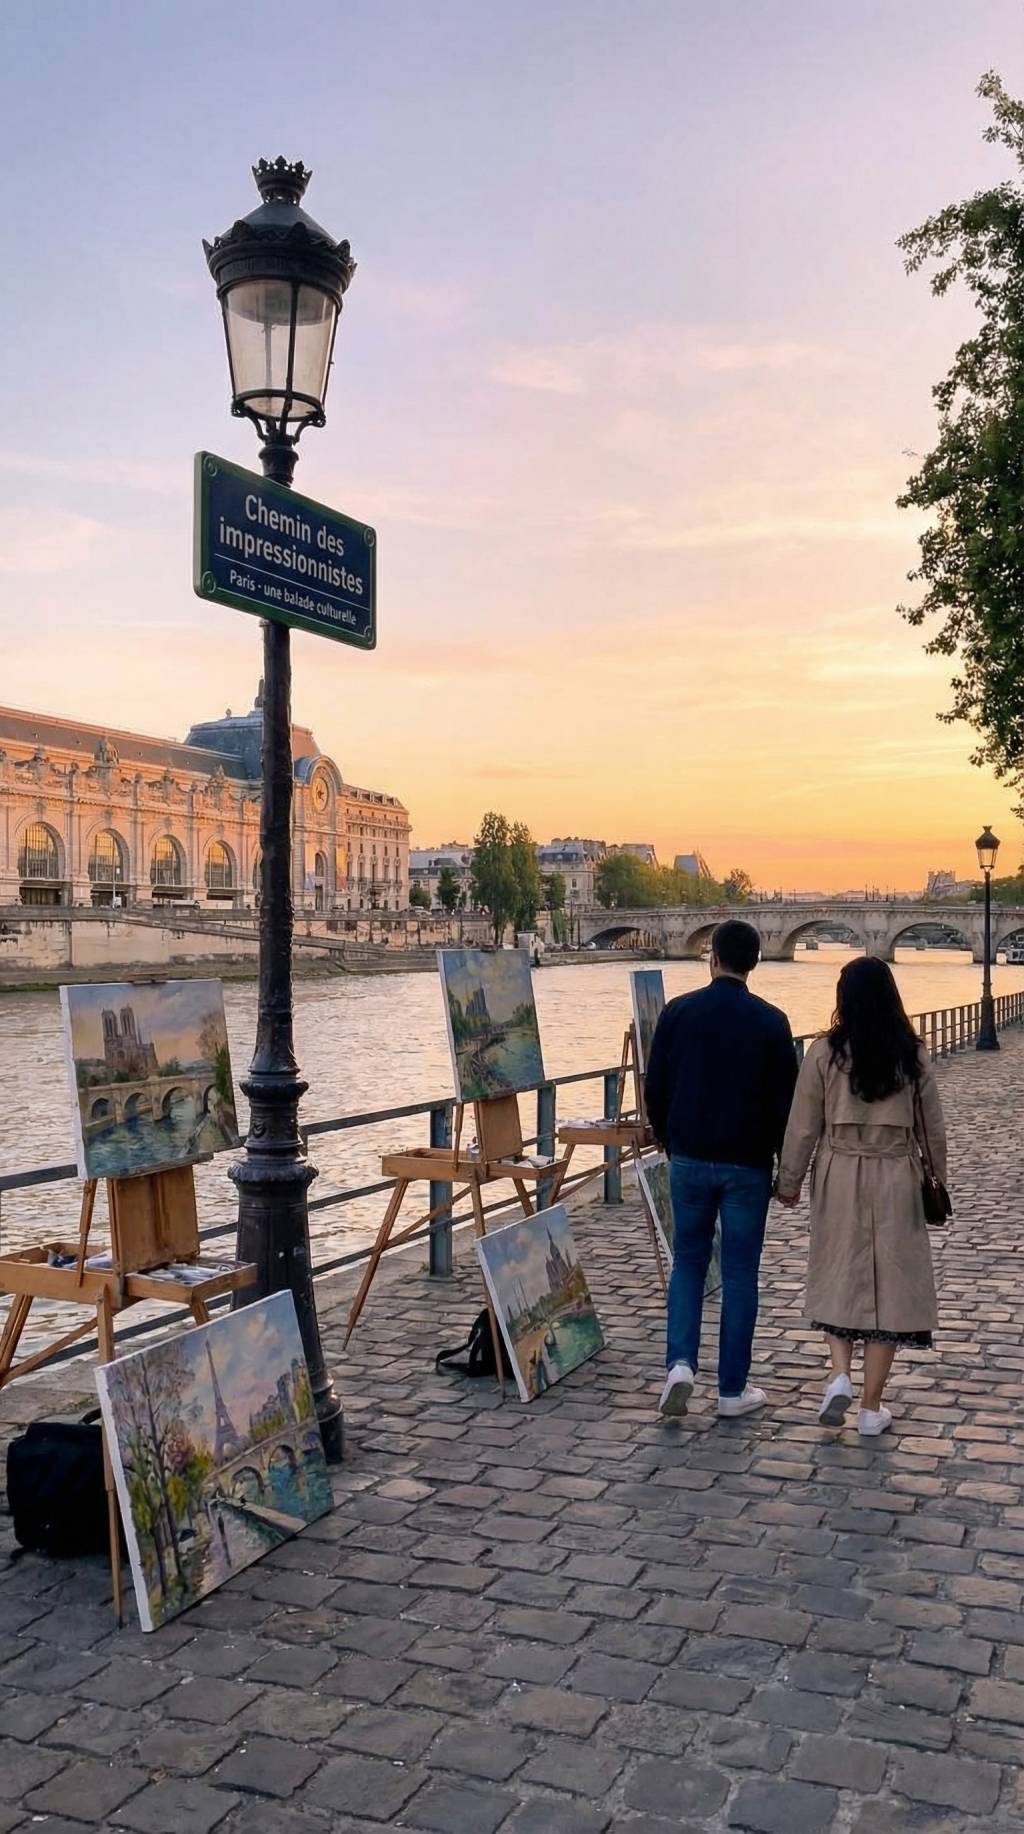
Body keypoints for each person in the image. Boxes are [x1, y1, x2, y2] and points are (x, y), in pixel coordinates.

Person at [776, 956, 945, 1437]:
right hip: (895, 1173)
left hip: (840, 1170)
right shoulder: (912, 1055)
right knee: (890, 1289)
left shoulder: (824, 1053)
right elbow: (932, 1131)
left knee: (838, 1270)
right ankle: (871, 1408)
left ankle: (838, 1375)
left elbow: (803, 1125)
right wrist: (939, 1181)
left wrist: (788, 1182)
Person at [645, 920, 798, 1420]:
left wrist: (668, 1136)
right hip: (746, 1165)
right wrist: (781, 1164)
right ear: (754, 963)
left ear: (712, 958)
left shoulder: (678, 1012)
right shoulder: (772, 1023)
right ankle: (732, 1389)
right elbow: (785, 1104)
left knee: (687, 1263)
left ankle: (680, 1365)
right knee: (738, 1274)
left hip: (688, 1157)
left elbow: (656, 1086)